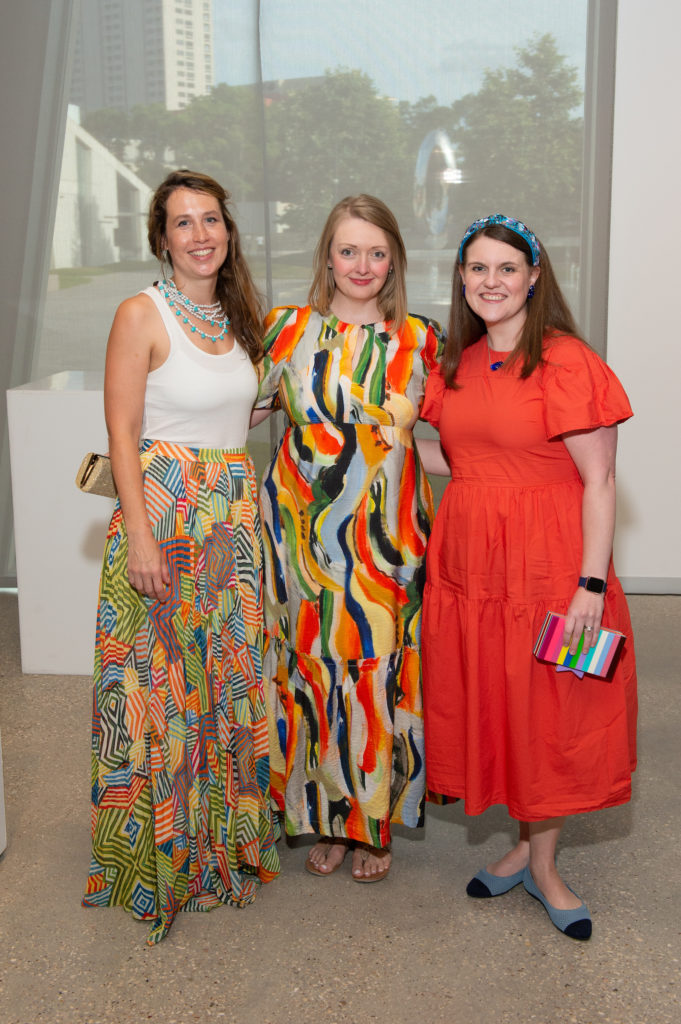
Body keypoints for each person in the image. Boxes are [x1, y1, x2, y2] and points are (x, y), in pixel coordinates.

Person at [419, 214, 637, 940]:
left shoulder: (565, 360)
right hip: (471, 570)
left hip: (548, 568)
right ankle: (521, 842)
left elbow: (599, 482)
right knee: (498, 705)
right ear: (460, 278)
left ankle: (543, 866)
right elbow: (455, 456)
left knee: (548, 715)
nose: (491, 282)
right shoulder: (455, 362)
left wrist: (590, 585)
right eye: (477, 268)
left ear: (534, 276)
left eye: (506, 268)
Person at [82, 169, 280, 944]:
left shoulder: (237, 317)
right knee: (156, 692)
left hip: (229, 519)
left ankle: (214, 851)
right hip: (163, 515)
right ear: (160, 238)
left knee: (220, 686)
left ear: (228, 231)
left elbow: (240, 409)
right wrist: (137, 531)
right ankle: (153, 859)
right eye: (182, 223)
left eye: (211, 220)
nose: (200, 235)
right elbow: (122, 430)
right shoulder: (142, 312)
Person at [252, 195, 443, 881]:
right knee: (312, 678)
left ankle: (371, 826)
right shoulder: (287, 329)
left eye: (376, 252)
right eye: (347, 250)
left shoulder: (420, 339)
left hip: (387, 548)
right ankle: (322, 816)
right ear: (326, 257)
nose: (361, 265)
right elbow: (228, 412)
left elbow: (456, 436)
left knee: (374, 681)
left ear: (392, 260)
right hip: (300, 543)